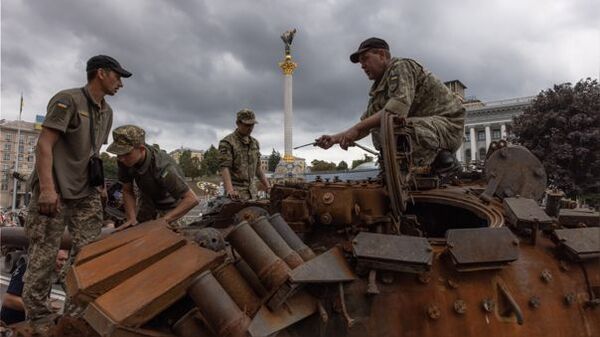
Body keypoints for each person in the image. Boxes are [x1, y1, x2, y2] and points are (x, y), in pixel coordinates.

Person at [22, 54, 131, 334]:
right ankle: (39, 317)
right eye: (117, 76)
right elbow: (44, 145)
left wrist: (101, 188)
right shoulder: (67, 100)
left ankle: (74, 314)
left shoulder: (106, 112)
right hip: (55, 190)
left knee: (88, 255)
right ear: (101, 73)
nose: (120, 83)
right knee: (44, 255)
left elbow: (92, 153)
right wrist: (47, 189)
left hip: (85, 192)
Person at [315, 37, 465, 173]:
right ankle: (403, 169)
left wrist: (356, 129)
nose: (362, 66)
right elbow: (364, 127)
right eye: (361, 63)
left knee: (394, 125)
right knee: (379, 128)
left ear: (382, 55)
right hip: (429, 127)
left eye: (366, 59)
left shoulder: (401, 66)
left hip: (449, 127)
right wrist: (334, 139)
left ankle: (446, 162)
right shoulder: (379, 90)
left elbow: (396, 110)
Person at [107, 125, 199, 230]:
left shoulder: (163, 167)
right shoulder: (124, 160)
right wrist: (131, 219)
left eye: (126, 153)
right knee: (137, 232)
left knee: (166, 237)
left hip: (170, 206)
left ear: (141, 149)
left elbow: (192, 199)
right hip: (147, 201)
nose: (121, 158)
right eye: (118, 154)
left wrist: (163, 221)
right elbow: (127, 190)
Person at [1, 250, 69, 325]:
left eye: (66, 260)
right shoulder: (28, 270)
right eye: (60, 259)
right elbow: (8, 300)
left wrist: (46, 303)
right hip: (12, 326)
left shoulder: (47, 275)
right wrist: (43, 305)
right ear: (50, 258)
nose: (63, 263)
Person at [218, 109, 270, 200]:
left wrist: (268, 186)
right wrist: (230, 190)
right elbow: (224, 168)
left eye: (252, 125)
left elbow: (257, 168)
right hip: (236, 194)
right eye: (247, 125)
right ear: (238, 123)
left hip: (253, 194)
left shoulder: (254, 143)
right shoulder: (227, 142)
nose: (250, 128)